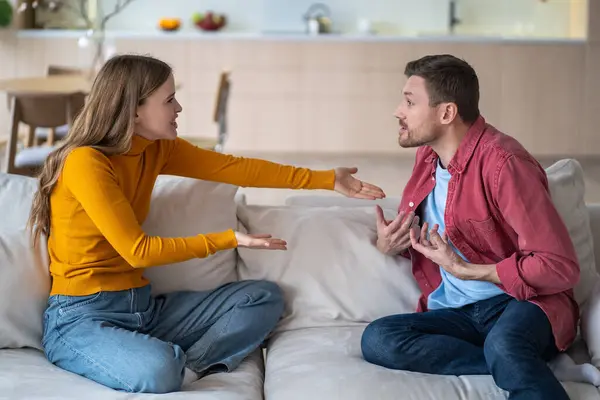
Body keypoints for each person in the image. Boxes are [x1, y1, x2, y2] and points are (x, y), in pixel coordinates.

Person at [28, 54, 385, 394]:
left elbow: (235, 168)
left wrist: (325, 179)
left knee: (261, 297)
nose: (178, 108)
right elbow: (138, 252)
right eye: (169, 100)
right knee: (157, 371)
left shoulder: (156, 148)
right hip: (82, 319)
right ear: (135, 109)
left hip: (144, 308)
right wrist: (227, 239)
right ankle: (166, 364)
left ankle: (192, 367)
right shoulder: (85, 163)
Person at [360, 54, 579, 400]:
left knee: (505, 344)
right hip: (457, 311)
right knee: (379, 339)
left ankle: (513, 356)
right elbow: (438, 237)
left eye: (409, 102)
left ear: (446, 113)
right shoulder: (428, 157)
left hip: (518, 303)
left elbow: (559, 267)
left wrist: (468, 270)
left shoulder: (505, 164)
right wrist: (391, 245)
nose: (397, 111)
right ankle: (524, 362)